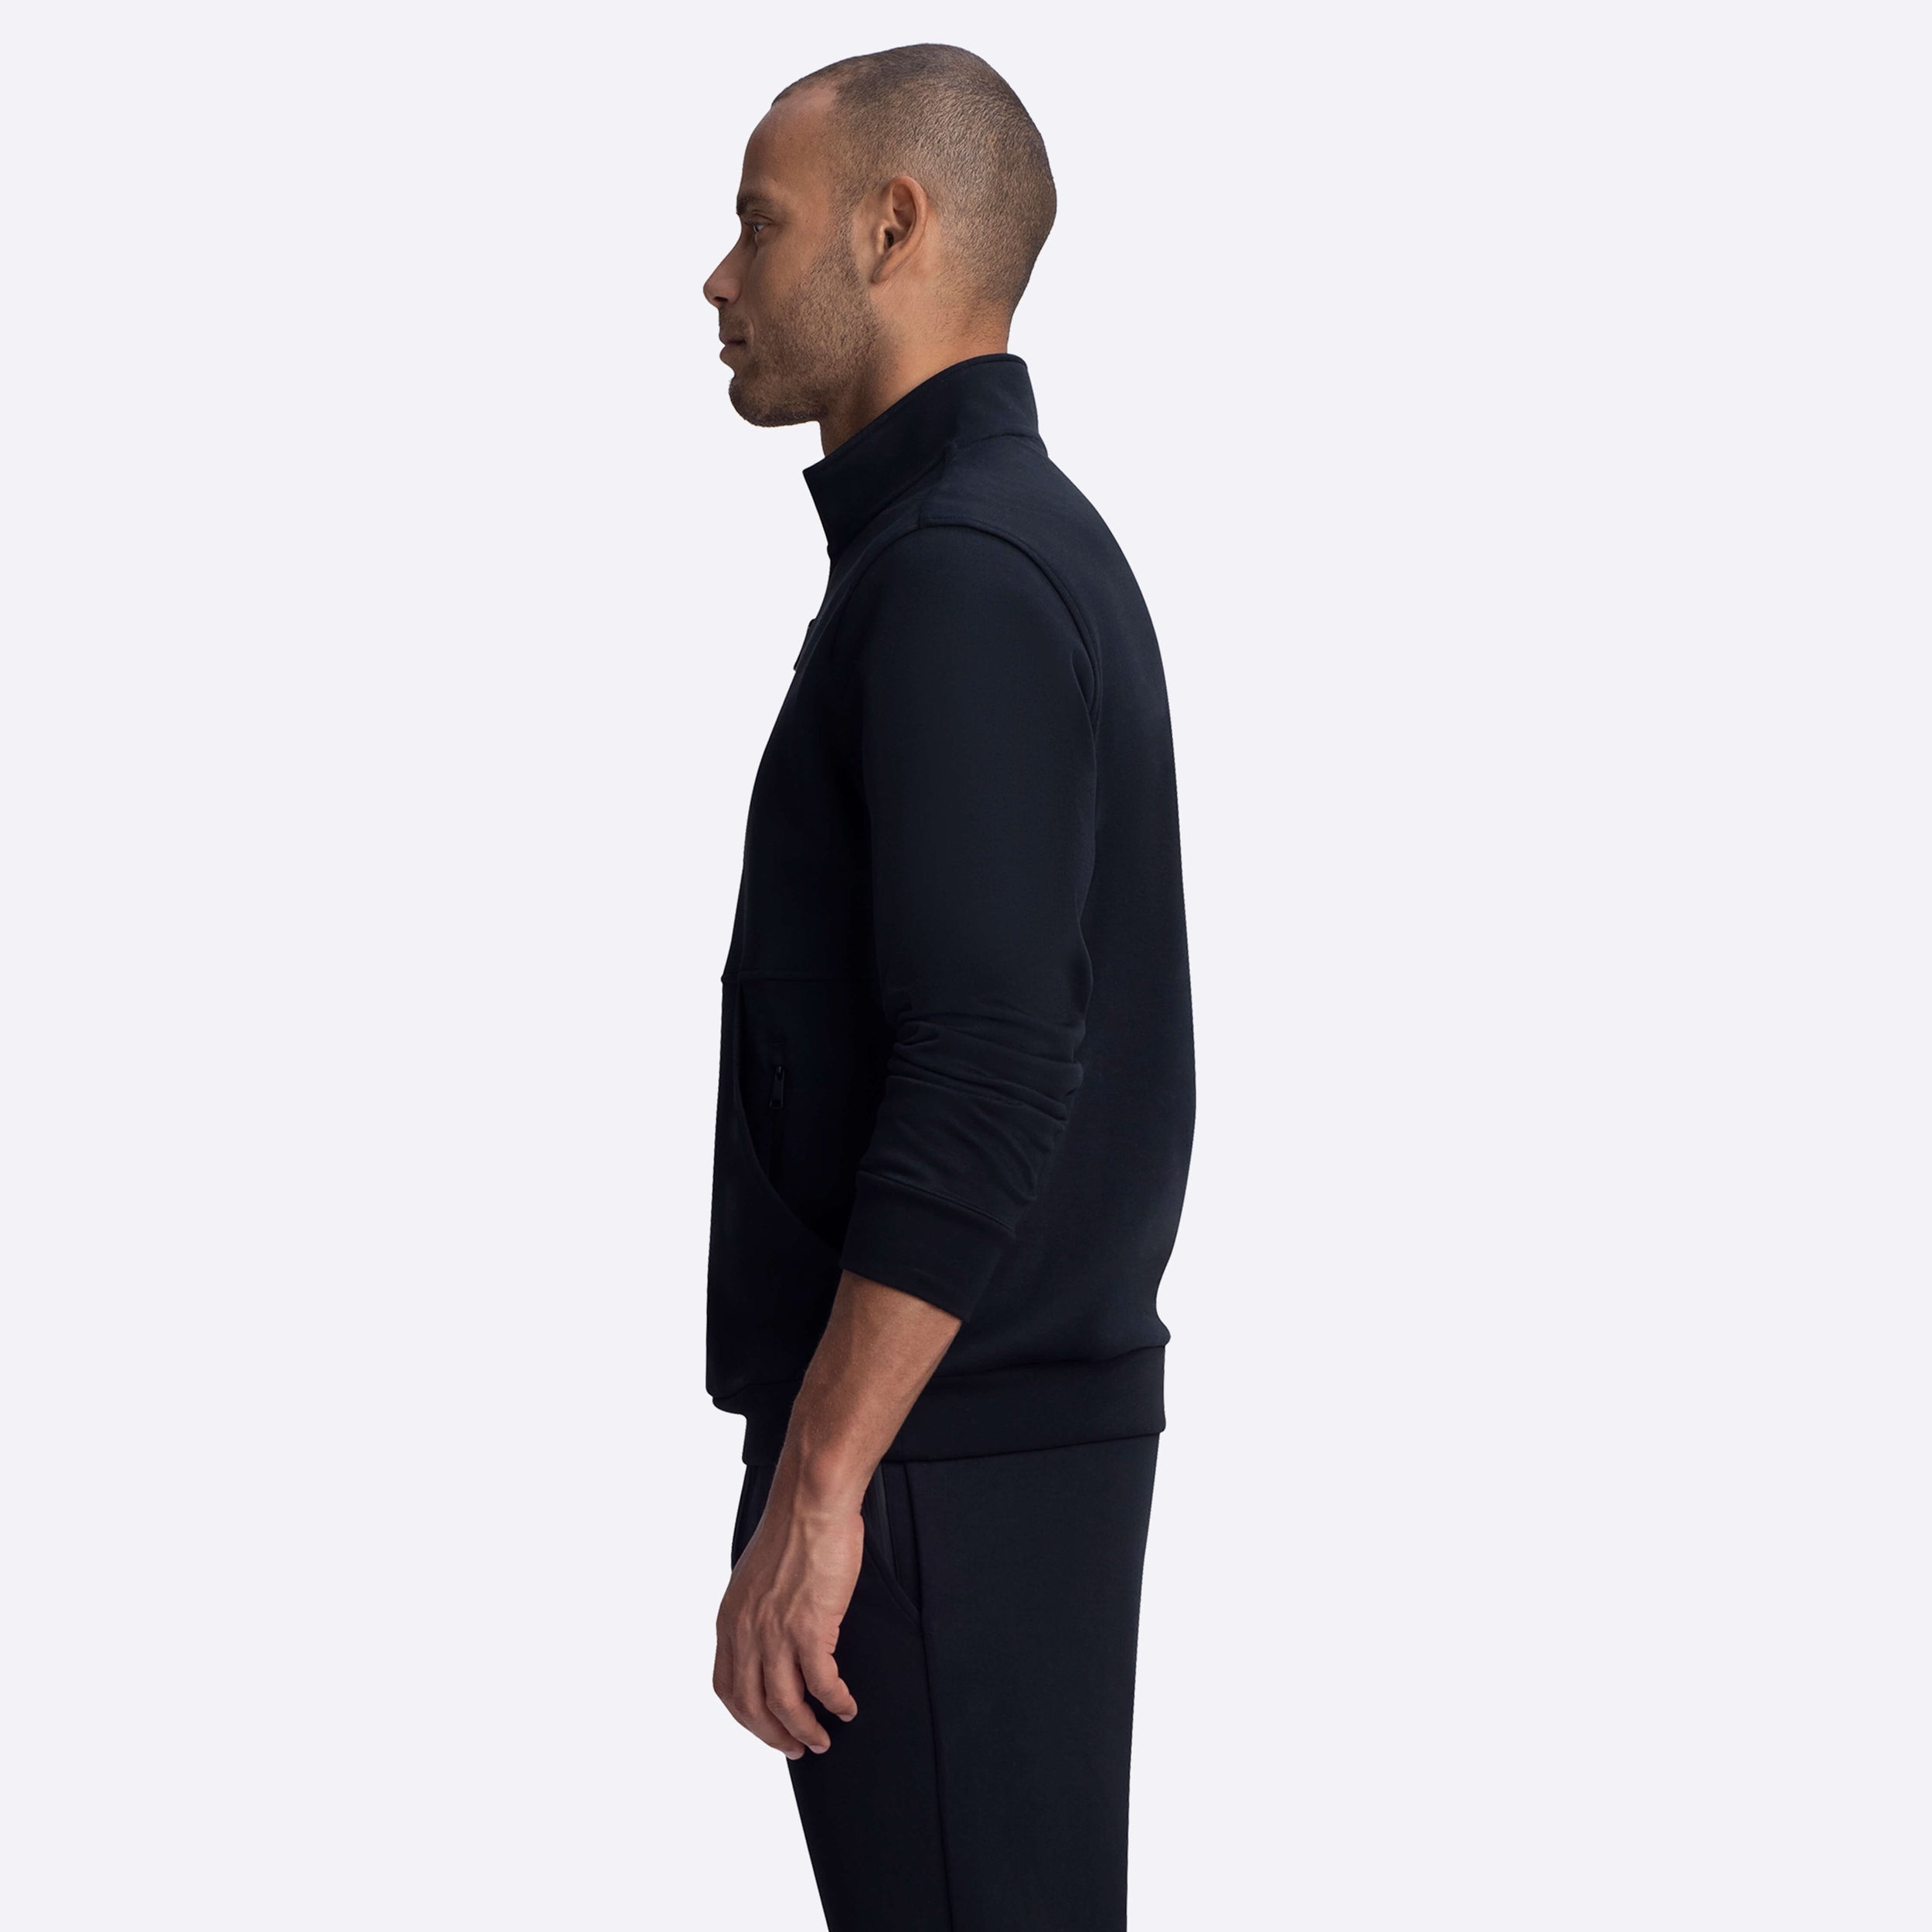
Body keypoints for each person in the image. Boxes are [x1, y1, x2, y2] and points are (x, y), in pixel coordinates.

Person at [700, 43, 1194, 1931]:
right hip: (969, 1449)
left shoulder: (961, 573)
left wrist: (824, 1481)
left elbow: (989, 1059)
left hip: (936, 1461)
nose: (719, 277)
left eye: (758, 222)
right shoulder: (976, 546)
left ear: (889, 228)